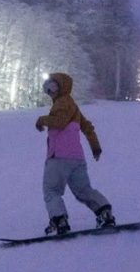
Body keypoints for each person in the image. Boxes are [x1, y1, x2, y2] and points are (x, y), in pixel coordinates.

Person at [35, 72, 115, 235]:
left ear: (61, 87)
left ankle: (59, 220)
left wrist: (42, 120)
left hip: (58, 158)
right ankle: (104, 212)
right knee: (83, 190)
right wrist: (95, 147)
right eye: (47, 89)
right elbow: (87, 127)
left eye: (52, 87)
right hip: (76, 159)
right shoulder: (73, 106)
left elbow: (60, 122)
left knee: (51, 191)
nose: (50, 91)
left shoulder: (62, 103)